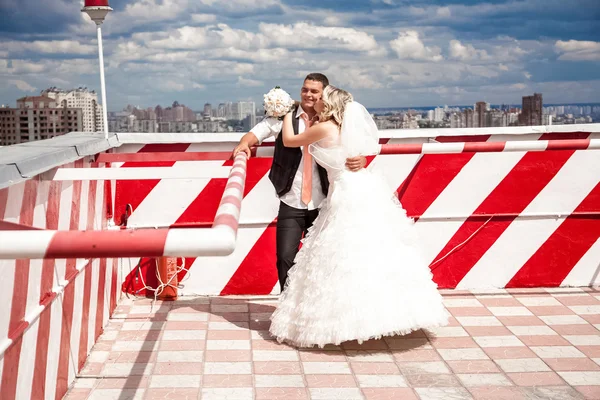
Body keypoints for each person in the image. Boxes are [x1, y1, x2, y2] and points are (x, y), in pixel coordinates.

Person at [268, 85, 449, 348]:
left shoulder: (324, 127)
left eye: (321, 97)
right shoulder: (342, 126)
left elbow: (289, 140)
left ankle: (347, 321)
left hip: (344, 190)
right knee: (370, 250)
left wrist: (285, 113)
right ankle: (381, 316)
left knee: (345, 253)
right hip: (359, 186)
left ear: (328, 104)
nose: (315, 100)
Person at [233, 73, 367, 292]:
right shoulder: (284, 117)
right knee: (285, 256)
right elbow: (257, 133)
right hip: (291, 198)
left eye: (314, 91)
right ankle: (288, 307)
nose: (308, 95)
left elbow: (351, 145)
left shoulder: (333, 120)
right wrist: (244, 144)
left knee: (323, 260)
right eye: (305, 89)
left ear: (324, 94)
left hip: (325, 201)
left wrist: (360, 158)